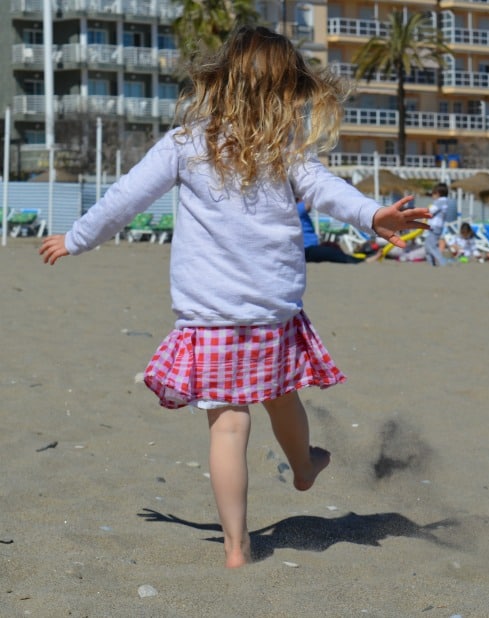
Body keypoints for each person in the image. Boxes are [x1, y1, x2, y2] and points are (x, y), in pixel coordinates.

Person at [39, 26, 430, 569]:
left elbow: (123, 199)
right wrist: (373, 214)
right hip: (271, 315)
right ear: (287, 94)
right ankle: (304, 466)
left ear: (220, 82)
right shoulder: (286, 153)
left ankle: (236, 546)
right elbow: (331, 193)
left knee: (228, 425)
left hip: (210, 317)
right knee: (283, 398)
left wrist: (76, 238)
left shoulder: (184, 145)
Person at [297, 201, 366, 263]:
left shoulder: (296, 210)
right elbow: (308, 205)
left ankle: (357, 260)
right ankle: (358, 261)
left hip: (309, 249)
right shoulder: (296, 209)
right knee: (333, 253)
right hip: (307, 250)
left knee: (333, 250)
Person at [424, 182, 450, 266]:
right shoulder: (445, 202)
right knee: (427, 246)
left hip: (435, 227)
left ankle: (443, 263)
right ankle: (431, 264)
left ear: (438, 193)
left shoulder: (440, 202)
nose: (432, 196)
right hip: (436, 227)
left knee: (431, 247)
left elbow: (430, 211)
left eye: (433, 193)